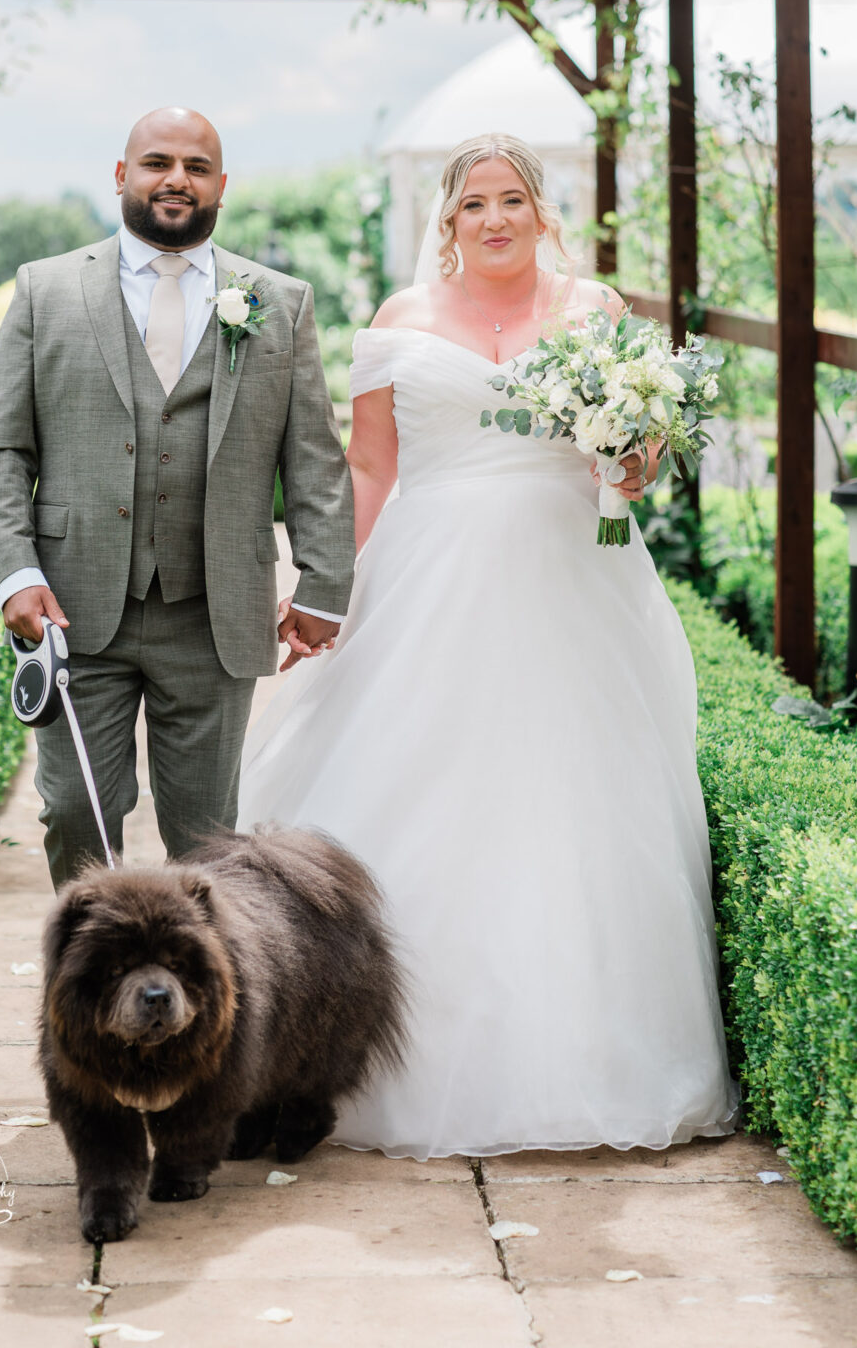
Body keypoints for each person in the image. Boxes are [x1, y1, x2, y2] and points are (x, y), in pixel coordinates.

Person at [238, 132, 738, 1158]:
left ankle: (591, 1059)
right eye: (475, 204)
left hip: (575, 583)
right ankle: (372, 1058)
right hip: (430, 582)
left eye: (513, 199)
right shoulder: (400, 320)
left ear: (543, 212)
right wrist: (328, 591)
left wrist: (631, 463)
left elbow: (636, 453)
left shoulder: (593, 313)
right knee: (417, 782)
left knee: (577, 805)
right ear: (449, 220)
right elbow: (369, 470)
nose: (496, 218)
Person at [0, 106, 355, 891]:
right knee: (75, 812)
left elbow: (313, 456)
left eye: (196, 166)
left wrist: (323, 585)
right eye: (156, 162)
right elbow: (3, 448)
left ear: (221, 186)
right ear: (122, 175)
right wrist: (15, 572)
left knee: (210, 843)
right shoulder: (46, 291)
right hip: (75, 607)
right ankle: (86, 1003)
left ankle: (204, 1008)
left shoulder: (280, 302)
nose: (175, 179)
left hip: (213, 611)